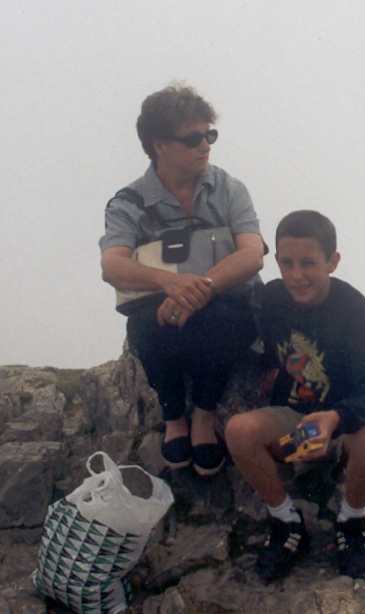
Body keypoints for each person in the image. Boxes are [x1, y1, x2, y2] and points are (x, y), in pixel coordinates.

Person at [225, 210, 365, 582]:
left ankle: (351, 523)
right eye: (286, 263)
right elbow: (239, 336)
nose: (296, 275)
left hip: (343, 430)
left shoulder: (352, 308)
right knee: (239, 431)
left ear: (333, 261)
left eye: (308, 263)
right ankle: (287, 522)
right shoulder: (269, 299)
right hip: (297, 428)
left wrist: (335, 419)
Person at [99, 84, 265, 476]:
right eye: (193, 138)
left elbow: (252, 253)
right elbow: (112, 265)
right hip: (163, 300)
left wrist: (199, 287)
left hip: (223, 299)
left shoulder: (229, 188)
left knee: (226, 323)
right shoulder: (129, 202)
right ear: (159, 145)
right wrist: (169, 283)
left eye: (210, 135)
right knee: (148, 326)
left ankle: (204, 414)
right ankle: (175, 415)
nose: (205, 145)